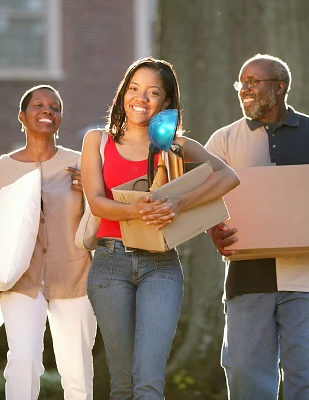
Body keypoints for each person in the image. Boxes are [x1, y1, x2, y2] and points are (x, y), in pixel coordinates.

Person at [205, 54, 309, 400]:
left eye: (253, 82)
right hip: (248, 276)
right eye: (241, 83)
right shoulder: (223, 142)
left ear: (280, 87)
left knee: (306, 383)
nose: (245, 89)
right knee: (246, 379)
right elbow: (202, 197)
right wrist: (213, 229)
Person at [80, 57, 240, 399]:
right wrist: (138, 208)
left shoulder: (175, 146)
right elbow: (95, 202)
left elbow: (229, 176)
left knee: (149, 381)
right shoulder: (98, 141)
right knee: (122, 384)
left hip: (161, 266)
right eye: (134, 89)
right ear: (124, 93)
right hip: (110, 264)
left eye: (153, 92)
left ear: (166, 102)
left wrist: (180, 202)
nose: (141, 97)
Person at [0, 85, 97, 400]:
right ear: (22, 116)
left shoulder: (82, 164)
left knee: (77, 370)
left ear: (60, 118)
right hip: (21, 281)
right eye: (38, 105)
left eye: (55, 106)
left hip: (75, 278)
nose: (47, 110)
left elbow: (100, 222)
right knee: (23, 363)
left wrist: (91, 191)